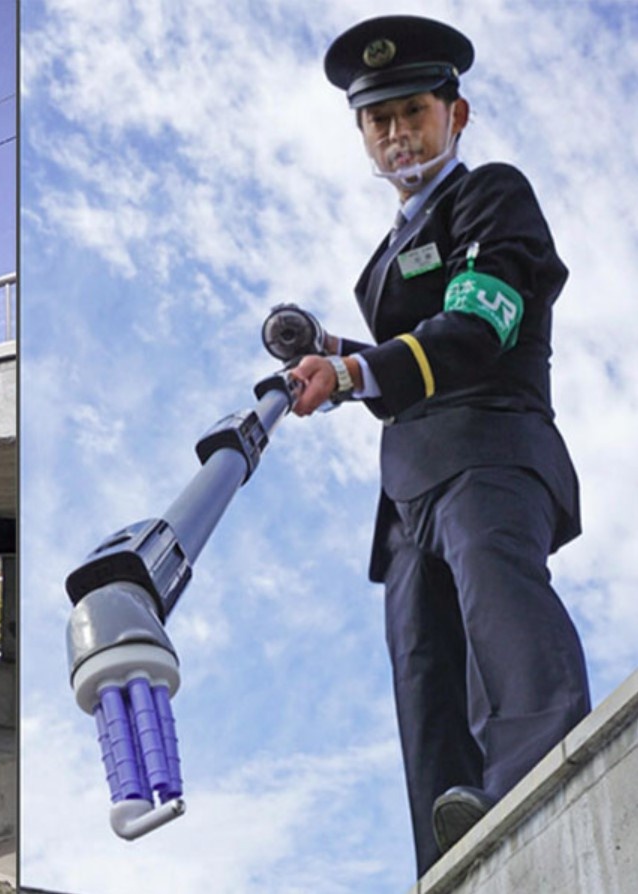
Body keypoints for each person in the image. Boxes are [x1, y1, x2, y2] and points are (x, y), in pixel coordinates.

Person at [289, 15, 591, 877]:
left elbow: (473, 328)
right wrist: (333, 358)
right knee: (425, 680)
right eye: (377, 120)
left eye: (413, 111)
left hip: (491, 453)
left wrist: (351, 375)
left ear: (455, 115)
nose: (396, 133)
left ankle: (537, 773)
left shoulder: (490, 195)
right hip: (408, 498)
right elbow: (402, 360)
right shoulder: (380, 262)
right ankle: (447, 858)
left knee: (503, 612)